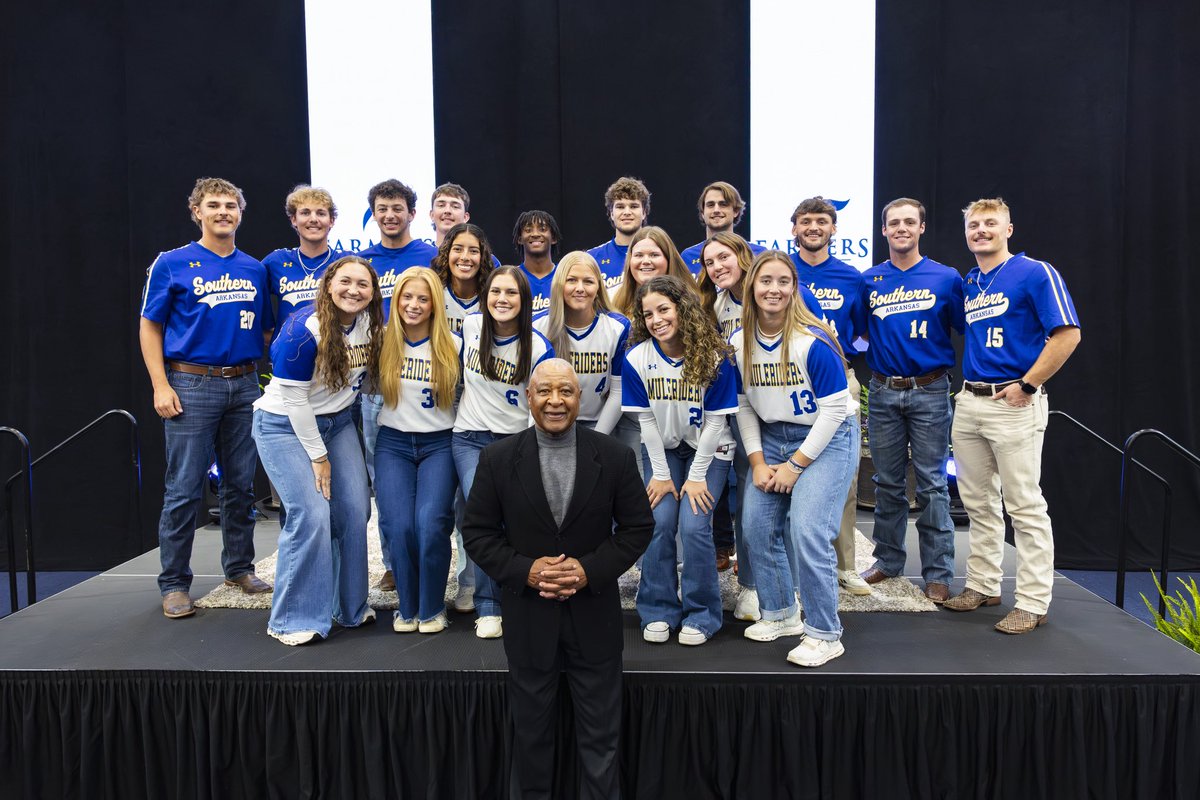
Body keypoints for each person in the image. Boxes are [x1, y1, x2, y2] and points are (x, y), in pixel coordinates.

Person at [461, 359, 653, 800]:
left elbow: (638, 528)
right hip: (530, 618)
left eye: (565, 391)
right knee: (530, 741)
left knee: (601, 744)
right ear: (528, 397)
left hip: (595, 619)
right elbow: (477, 533)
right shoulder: (497, 459)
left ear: (579, 397)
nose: (555, 401)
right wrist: (525, 571)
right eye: (544, 391)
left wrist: (589, 570)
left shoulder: (616, 457)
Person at [139, 177, 274, 619]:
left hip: (244, 383)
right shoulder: (172, 263)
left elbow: (266, 330)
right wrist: (160, 384)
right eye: (213, 204)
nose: (223, 212)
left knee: (240, 486)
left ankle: (239, 567)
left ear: (240, 213)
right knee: (184, 488)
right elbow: (150, 326)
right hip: (190, 382)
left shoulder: (254, 267)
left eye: (231, 205)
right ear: (196, 211)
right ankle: (174, 583)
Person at [944, 198, 1081, 634]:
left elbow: (1068, 334)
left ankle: (1033, 600)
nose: (980, 230)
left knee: (1023, 504)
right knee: (977, 503)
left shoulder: (1035, 272)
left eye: (990, 224)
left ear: (1009, 229)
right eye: (973, 225)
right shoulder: (970, 281)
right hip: (970, 401)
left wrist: (1028, 384)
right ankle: (984, 583)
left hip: (1013, 402)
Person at [732, 250, 858, 667]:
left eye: (783, 281)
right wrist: (757, 463)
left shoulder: (814, 339)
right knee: (756, 526)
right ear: (751, 287)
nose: (774, 289)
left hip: (826, 437)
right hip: (770, 436)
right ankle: (782, 613)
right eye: (765, 280)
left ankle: (825, 633)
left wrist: (795, 465)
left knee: (807, 529)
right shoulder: (739, 342)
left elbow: (835, 411)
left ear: (794, 288)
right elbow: (745, 407)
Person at [251, 256, 382, 644]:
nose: (353, 290)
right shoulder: (302, 329)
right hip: (284, 426)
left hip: (337, 422)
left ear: (373, 292)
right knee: (311, 513)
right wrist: (319, 458)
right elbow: (295, 403)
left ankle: (351, 607)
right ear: (328, 284)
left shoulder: (371, 325)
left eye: (363, 284)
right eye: (345, 282)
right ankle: (293, 618)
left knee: (356, 509)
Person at [622, 275, 738, 646]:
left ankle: (702, 613)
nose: (656, 319)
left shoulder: (714, 354)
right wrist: (659, 474)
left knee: (694, 523)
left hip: (711, 447)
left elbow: (717, 422)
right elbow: (646, 422)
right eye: (648, 313)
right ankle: (657, 608)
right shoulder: (637, 358)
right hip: (664, 449)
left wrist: (698, 476)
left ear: (682, 309)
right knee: (658, 519)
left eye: (664, 309)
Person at [858, 198, 964, 602]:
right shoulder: (870, 280)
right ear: (883, 231)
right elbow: (861, 332)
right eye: (893, 223)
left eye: (909, 222)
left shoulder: (946, 277)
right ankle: (887, 560)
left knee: (934, 485)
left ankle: (938, 572)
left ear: (921, 228)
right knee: (887, 483)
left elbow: (959, 326)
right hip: (884, 390)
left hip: (931, 389)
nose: (901, 228)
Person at [454, 266, 556, 638]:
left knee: (517, 519)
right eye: (495, 291)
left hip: (515, 441)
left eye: (511, 293)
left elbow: (543, 406)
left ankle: (522, 594)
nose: (502, 299)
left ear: (524, 300)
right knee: (483, 516)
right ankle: (489, 605)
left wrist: (530, 451)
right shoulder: (469, 326)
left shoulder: (539, 344)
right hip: (469, 439)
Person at [789, 196, 872, 597]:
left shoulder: (852, 277)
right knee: (785, 474)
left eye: (821, 221)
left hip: (837, 378)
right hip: (784, 381)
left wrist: (837, 347)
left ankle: (845, 566)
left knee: (844, 478)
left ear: (833, 229)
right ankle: (790, 567)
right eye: (806, 221)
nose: (813, 227)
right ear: (794, 229)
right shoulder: (781, 271)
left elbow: (862, 332)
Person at [358, 179, 439, 590]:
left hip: (429, 376)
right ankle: (394, 562)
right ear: (373, 214)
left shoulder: (432, 256)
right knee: (383, 479)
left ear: (411, 212)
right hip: (378, 382)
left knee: (436, 492)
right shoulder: (361, 262)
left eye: (397, 207)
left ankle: (437, 559)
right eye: (381, 208)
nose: (389, 215)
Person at [375, 267, 461, 634]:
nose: (413, 304)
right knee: (399, 526)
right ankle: (406, 608)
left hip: (439, 443)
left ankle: (431, 608)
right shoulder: (381, 341)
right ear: (395, 301)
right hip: (393, 443)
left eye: (422, 298)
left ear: (434, 305)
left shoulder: (453, 344)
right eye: (406, 297)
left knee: (430, 525)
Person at [534, 251, 629, 435]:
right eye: (571, 280)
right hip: (548, 425)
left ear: (598, 287)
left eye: (588, 281)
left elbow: (618, 393)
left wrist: (597, 439)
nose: (580, 288)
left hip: (598, 425)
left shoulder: (618, 327)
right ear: (559, 285)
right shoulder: (538, 326)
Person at [262, 185, 344, 339]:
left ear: (331, 220)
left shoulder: (345, 262)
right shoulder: (276, 261)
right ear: (294, 219)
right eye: (305, 213)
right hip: (290, 359)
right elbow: (253, 309)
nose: (313, 219)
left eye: (321, 213)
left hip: (336, 357)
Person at [609, 226, 696, 321]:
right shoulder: (611, 298)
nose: (645, 261)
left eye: (654, 255)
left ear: (668, 259)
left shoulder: (691, 300)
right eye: (639, 255)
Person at [679, 181, 765, 274]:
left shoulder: (759, 253)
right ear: (703, 213)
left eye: (723, 204)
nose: (716, 210)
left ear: (736, 211)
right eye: (710, 205)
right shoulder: (688, 256)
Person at [586, 175, 651, 294]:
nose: (627, 212)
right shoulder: (592, 258)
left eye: (634, 206)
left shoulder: (660, 254)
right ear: (611, 213)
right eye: (620, 207)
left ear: (644, 213)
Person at [431, 222, 496, 335]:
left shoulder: (493, 298)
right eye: (458, 249)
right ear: (447, 253)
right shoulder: (434, 293)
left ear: (483, 257)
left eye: (473, 251)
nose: (465, 257)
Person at [428, 182, 502, 267]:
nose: (447, 210)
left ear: (465, 217)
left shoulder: (487, 260)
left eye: (455, 206)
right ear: (432, 215)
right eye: (441, 205)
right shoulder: (419, 255)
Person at [514, 210, 562, 315]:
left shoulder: (565, 276)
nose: (535, 234)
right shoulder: (512, 278)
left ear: (553, 238)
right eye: (528, 230)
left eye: (542, 229)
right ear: (519, 239)